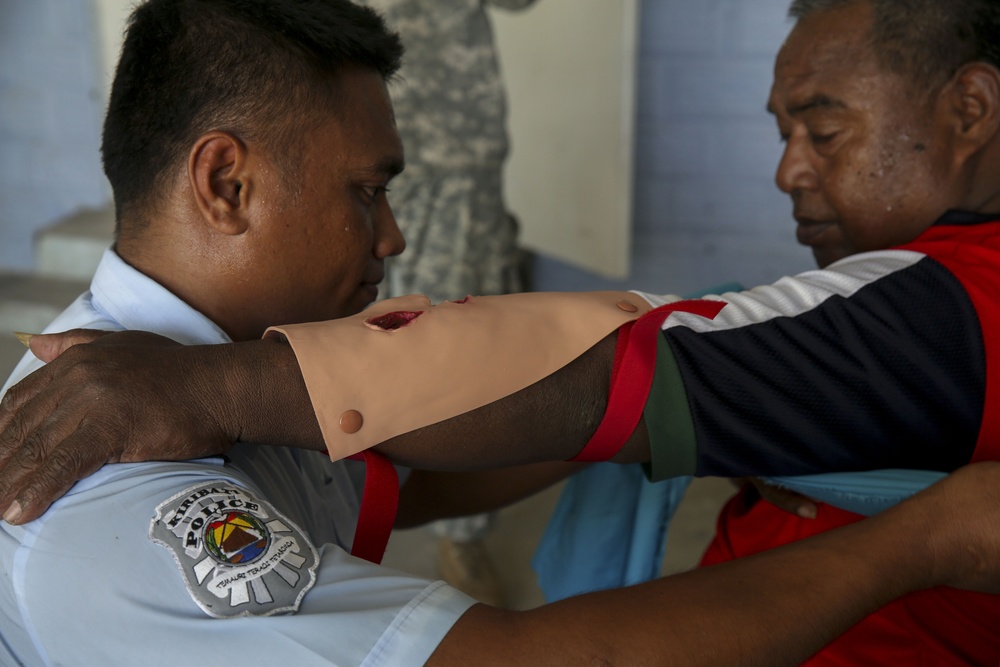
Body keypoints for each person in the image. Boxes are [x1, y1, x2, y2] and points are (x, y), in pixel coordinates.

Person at [2, 0, 1000, 663]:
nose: (393, 234)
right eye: (368, 191)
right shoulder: (124, 495)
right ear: (227, 183)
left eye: (818, 130)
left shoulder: (211, 369)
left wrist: (624, 433)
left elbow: (410, 470)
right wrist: (914, 543)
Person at [358, 0, 538, 607]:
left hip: (460, 147)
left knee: (459, 343)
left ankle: (461, 533)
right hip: (353, 135)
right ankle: (353, 487)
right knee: (355, 332)